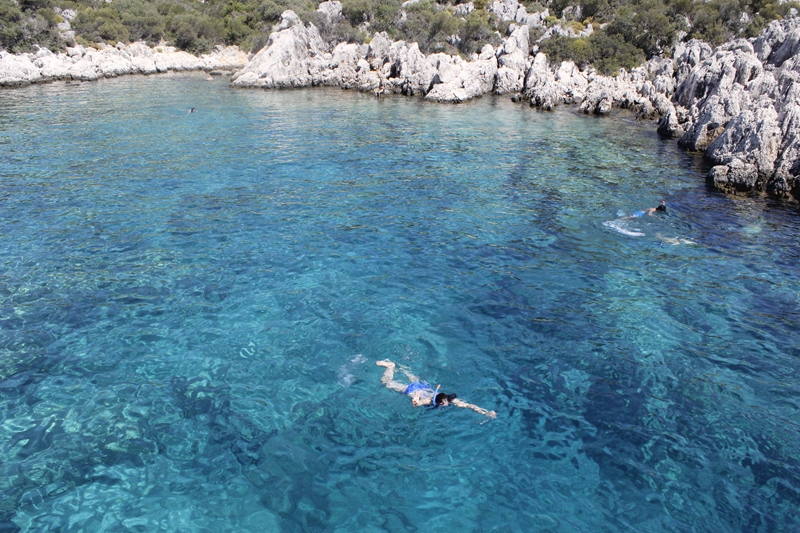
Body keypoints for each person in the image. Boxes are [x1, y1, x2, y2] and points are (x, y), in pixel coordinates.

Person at [376, 360, 496, 418]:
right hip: (412, 390)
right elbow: (417, 403)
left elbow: (469, 405)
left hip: (422, 386)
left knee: (413, 377)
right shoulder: (428, 401)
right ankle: (391, 367)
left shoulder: (448, 400)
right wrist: (416, 400)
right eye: (445, 404)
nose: (448, 404)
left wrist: (484, 412)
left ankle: (401, 368)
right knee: (385, 383)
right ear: (439, 402)